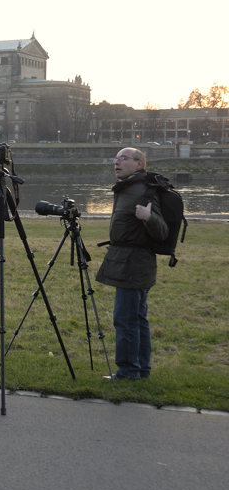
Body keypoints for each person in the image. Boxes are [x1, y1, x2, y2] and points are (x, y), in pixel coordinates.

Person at [95, 147, 168, 380]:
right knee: (137, 318)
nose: (116, 162)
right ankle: (141, 370)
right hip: (128, 262)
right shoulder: (128, 188)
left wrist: (148, 218)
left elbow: (162, 231)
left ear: (139, 164)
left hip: (133, 264)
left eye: (123, 158)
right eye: (115, 158)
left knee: (126, 319)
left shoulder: (143, 190)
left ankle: (128, 372)